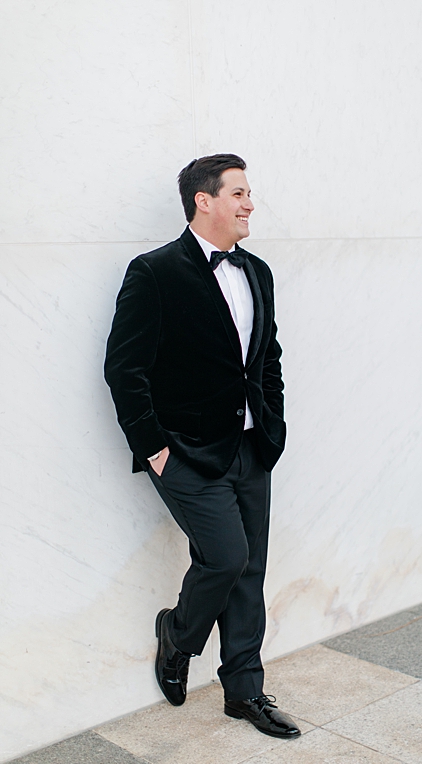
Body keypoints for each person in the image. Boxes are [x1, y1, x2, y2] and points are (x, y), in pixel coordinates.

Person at [104, 154, 299, 740]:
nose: (249, 203)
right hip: (185, 451)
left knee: (251, 569)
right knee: (226, 556)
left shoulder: (257, 271)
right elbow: (124, 369)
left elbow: (268, 358)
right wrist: (154, 448)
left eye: (249, 192)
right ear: (203, 200)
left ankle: (244, 691)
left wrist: (273, 425)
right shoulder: (154, 271)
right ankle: (178, 635)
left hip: (250, 446)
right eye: (238, 193)